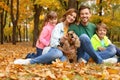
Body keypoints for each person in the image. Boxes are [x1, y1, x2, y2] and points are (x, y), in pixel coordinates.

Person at [14, 8, 78, 65]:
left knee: (63, 61)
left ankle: (44, 59)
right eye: (70, 15)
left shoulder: (72, 29)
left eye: (74, 17)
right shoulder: (58, 26)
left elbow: (74, 42)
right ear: (67, 14)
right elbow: (53, 44)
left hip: (64, 52)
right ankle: (31, 61)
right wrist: (61, 41)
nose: (72, 18)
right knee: (58, 54)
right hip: (53, 49)